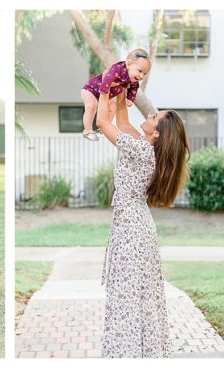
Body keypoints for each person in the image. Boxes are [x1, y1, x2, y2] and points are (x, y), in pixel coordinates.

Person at [95, 89, 190, 358]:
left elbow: (104, 123)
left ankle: (127, 355)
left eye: (154, 117)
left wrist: (105, 87)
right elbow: (123, 123)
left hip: (131, 229)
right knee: (137, 294)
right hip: (136, 224)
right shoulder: (144, 147)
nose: (149, 114)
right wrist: (123, 90)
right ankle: (141, 352)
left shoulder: (142, 151)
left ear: (157, 133)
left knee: (127, 295)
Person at [81, 48, 152, 141]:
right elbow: (107, 78)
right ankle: (87, 130)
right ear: (128, 64)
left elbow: (134, 89)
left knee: (113, 107)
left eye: (144, 73)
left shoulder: (133, 80)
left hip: (105, 95)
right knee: (91, 107)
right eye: (139, 71)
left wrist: (130, 99)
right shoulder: (118, 68)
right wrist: (105, 90)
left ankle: (106, 126)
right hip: (91, 90)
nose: (141, 76)